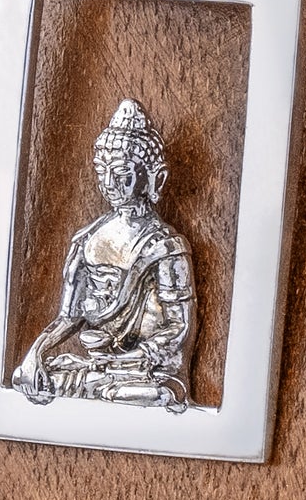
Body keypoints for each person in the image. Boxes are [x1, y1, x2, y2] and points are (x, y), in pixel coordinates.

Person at [12, 100, 196, 411]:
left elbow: (179, 327)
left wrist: (135, 357)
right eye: (102, 172)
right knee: (25, 378)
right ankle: (92, 381)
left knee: (135, 394)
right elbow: (70, 317)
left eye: (122, 173)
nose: (109, 184)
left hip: (144, 370)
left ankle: (102, 384)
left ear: (156, 178)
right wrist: (36, 352)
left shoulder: (164, 245)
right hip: (98, 363)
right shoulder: (86, 239)